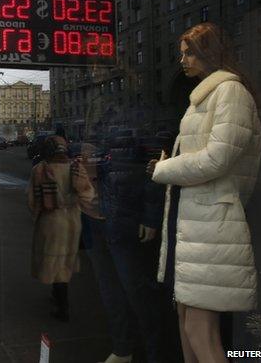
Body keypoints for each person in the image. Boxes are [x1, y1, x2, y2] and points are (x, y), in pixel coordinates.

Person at [148, 22, 261, 363]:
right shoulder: (203, 97)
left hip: (212, 226)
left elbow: (218, 158)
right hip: (197, 223)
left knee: (200, 331)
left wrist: (162, 169)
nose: (182, 60)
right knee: (187, 324)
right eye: (182, 53)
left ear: (210, 52)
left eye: (190, 52)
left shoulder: (230, 92)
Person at [83, 133, 165, 363]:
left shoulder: (128, 118)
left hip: (123, 217)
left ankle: (155, 354)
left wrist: (150, 216)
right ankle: (122, 348)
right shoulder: (97, 120)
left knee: (138, 292)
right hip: (96, 216)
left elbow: (155, 164)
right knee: (110, 291)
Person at [27, 136, 99, 321]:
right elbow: (88, 195)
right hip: (72, 221)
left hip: (50, 222)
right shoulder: (75, 167)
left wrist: (36, 215)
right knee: (64, 262)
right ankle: (58, 297)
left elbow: (32, 201)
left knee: (54, 263)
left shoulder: (40, 169)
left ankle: (62, 307)